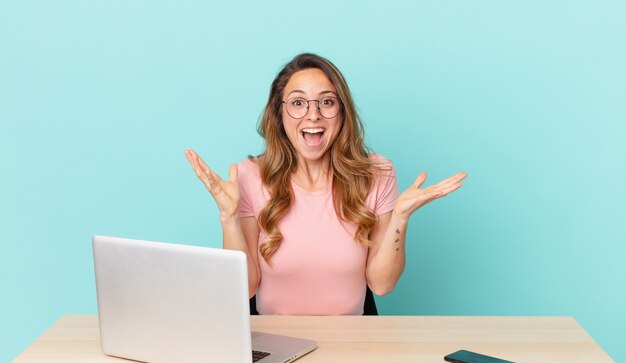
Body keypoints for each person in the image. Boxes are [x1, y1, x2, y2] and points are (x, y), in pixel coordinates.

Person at [185, 53, 466, 315]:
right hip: (273, 344)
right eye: (297, 103)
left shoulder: (377, 172)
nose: (313, 114)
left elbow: (382, 285)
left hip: (353, 346)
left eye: (326, 102)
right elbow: (244, 288)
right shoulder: (250, 176)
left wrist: (400, 219)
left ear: (342, 112)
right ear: (279, 115)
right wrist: (229, 218)